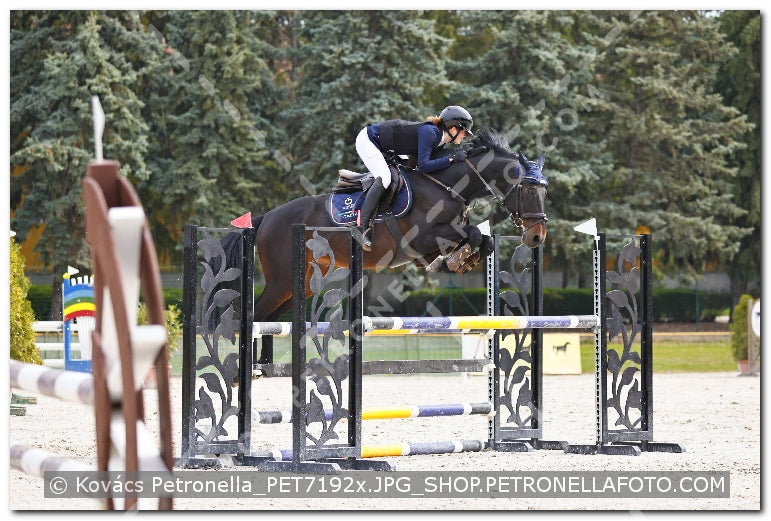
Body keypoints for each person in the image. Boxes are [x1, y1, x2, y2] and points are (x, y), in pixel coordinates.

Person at [355, 105, 474, 251]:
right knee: (385, 178)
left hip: (389, 146)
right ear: (454, 129)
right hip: (369, 140)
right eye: (464, 133)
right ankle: (363, 228)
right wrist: (451, 159)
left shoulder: (440, 141)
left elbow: (418, 165)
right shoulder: (431, 133)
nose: (465, 136)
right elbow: (423, 166)